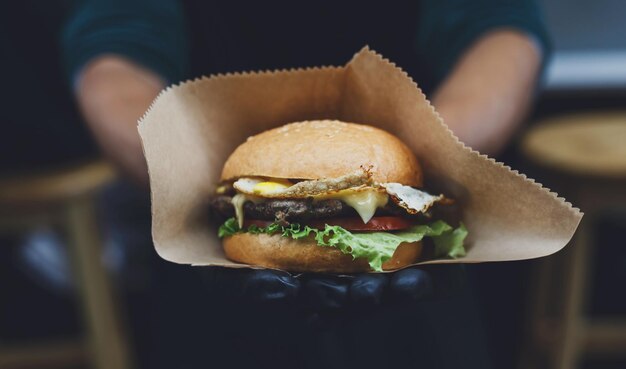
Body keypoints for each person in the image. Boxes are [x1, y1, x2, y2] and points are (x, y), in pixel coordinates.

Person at [59, 0, 549, 368]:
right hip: (207, 259)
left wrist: (436, 157)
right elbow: (115, 54)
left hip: (422, 284)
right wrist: (184, 179)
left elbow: (499, 30)